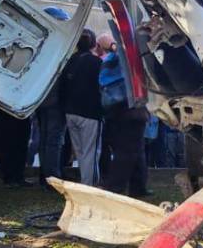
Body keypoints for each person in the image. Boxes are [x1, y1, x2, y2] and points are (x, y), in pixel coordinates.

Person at [100, 45, 149, 196]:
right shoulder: (130, 59)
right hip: (132, 109)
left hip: (116, 109)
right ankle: (115, 187)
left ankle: (138, 186)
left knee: (135, 149)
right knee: (128, 151)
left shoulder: (109, 60)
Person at [61, 30, 103, 186]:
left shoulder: (70, 60)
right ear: (94, 44)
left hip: (71, 111)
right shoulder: (97, 62)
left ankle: (86, 181)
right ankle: (89, 185)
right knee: (91, 152)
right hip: (91, 113)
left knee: (80, 151)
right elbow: (102, 87)